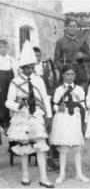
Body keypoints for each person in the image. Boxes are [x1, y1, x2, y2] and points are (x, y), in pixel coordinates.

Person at [5, 41, 54, 187]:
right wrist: (18, 105)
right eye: (27, 68)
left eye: (32, 67)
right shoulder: (15, 82)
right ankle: (25, 175)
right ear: (21, 67)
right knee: (25, 146)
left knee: (40, 145)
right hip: (22, 117)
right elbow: (8, 101)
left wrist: (49, 115)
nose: (29, 70)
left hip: (36, 115)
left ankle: (43, 178)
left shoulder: (38, 80)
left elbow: (45, 98)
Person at [50, 64, 89, 184]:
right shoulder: (59, 90)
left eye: (72, 74)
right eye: (67, 74)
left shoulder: (79, 89)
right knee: (64, 147)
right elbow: (54, 105)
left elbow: (83, 106)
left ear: (75, 76)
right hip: (63, 118)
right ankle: (62, 173)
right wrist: (58, 109)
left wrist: (85, 121)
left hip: (76, 118)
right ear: (62, 75)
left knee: (77, 147)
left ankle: (79, 173)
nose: (70, 77)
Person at [53, 18, 90, 89]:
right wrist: (64, 70)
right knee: (66, 96)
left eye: (74, 26)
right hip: (66, 73)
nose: (72, 28)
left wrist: (83, 55)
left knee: (81, 95)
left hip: (80, 74)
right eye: (70, 26)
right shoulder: (60, 42)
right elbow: (56, 60)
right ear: (66, 27)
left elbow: (89, 57)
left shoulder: (82, 41)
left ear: (77, 28)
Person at [0, 38, 18, 129]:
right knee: (2, 101)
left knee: (10, 100)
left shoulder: (11, 59)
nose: (3, 49)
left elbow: (15, 73)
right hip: (1, 85)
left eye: (5, 47)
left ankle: (10, 121)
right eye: (1, 47)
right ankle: (3, 121)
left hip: (10, 84)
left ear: (8, 48)